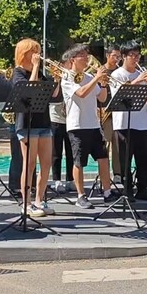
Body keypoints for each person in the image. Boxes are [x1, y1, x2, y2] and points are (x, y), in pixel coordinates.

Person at [61, 44, 121, 209]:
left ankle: (107, 192)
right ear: (73, 59)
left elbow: (101, 98)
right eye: (82, 55)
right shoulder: (67, 77)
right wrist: (96, 78)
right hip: (77, 125)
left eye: (86, 54)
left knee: (103, 158)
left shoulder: (88, 76)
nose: (87, 58)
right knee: (79, 161)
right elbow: (81, 93)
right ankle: (80, 196)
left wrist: (102, 83)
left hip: (94, 124)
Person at [11, 38, 59, 217]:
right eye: (34, 51)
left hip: (43, 122)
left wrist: (58, 79)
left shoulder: (41, 73)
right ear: (24, 54)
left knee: (46, 163)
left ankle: (40, 200)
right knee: (29, 164)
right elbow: (28, 89)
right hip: (26, 124)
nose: (38, 55)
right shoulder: (18, 73)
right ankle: (26, 203)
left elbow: (54, 94)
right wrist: (36, 67)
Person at [110, 41, 147, 202]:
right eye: (132, 55)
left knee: (143, 158)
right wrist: (138, 80)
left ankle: (143, 189)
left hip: (142, 121)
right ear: (124, 56)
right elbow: (120, 94)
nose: (136, 58)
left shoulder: (141, 74)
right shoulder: (117, 74)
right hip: (123, 122)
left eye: (138, 55)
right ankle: (127, 189)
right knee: (126, 158)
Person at [50, 53, 75, 194]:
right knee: (56, 151)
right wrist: (57, 80)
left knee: (71, 151)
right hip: (56, 118)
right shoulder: (54, 77)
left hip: (70, 118)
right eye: (68, 64)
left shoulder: (74, 78)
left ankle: (70, 179)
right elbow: (54, 96)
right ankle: (57, 180)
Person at [100, 45, 122, 182]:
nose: (117, 59)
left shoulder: (120, 72)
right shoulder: (100, 70)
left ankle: (118, 174)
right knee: (106, 144)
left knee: (118, 145)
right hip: (104, 111)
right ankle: (105, 175)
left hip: (118, 112)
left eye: (119, 56)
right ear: (107, 56)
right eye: (114, 56)